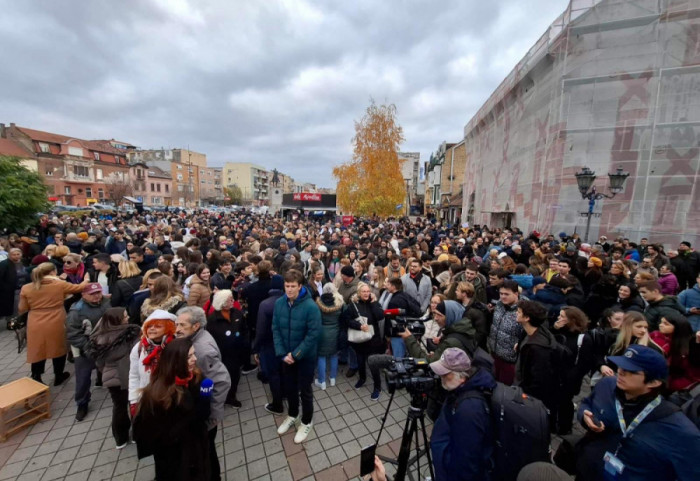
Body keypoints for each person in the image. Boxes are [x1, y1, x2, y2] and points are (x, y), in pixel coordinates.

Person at [575, 345, 700, 481]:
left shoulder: (680, 431)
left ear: (654, 382)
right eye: (621, 365)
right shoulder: (606, 385)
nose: (621, 371)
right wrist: (584, 415)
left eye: (631, 371)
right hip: (586, 471)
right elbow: (587, 404)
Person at [133, 338, 212, 481]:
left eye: (194, 354)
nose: (194, 359)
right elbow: (152, 432)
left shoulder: (196, 378)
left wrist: (205, 398)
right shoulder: (158, 394)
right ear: (175, 361)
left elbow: (203, 415)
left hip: (197, 448)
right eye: (188, 357)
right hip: (174, 456)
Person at [175, 306, 231, 480]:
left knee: (206, 453)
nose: (177, 329)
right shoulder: (194, 340)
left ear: (196, 326)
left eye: (182, 325)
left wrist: (212, 415)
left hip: (205, 419)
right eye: (177, 324)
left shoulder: (201, 349)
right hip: (198, 410)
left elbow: (221, 380)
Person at [429, 347, 496, 481]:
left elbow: (467, 462)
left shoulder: (470, 410)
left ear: (460, 375)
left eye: (445, 374)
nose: (441, 377)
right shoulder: (461, 387)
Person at [273, 269, 321, 444]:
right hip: (286, 356)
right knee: (290, 388)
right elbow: (275, 329)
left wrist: (296, 354)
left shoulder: (311, 307)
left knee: (305, 391)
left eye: (293, 286)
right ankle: (293, 414)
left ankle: (307, 421)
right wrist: (281, 353)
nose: (290, 289)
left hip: (304, 358)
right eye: (287, 286)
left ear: (300, 286)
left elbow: (313, 334)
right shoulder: (279, 303)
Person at [19, 262, 88, 384]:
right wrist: (86, 280)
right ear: (52, 272)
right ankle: (58, 375)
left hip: (35, 320)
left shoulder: (26, 288)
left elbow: (22, 308)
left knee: (38, 349)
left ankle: (36, 375)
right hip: (56, 318)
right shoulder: (59, 284)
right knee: (58, 346)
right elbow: (79, 288)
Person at [86, 307, 141, 448]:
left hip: (111, 378)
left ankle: (120, 439)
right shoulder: (131, 333)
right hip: (130, 374)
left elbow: (99, 363)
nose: (127, 318)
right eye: (124, 316)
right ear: (117, 320)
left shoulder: (98, 337)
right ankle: (137, 434)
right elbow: (138, 353)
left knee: (118, 407)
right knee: (135, 404)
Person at [66, 282, 111, 421]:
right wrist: (88, 348)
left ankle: (101, 380)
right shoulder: (76, 311)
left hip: (105, 343)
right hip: (85, 348)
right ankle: (82, 403)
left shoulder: (106, 302)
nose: (97, 296)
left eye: (98, 292)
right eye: (92, 294)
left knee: (107, 367)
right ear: (83, 295)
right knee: (83, 377)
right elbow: (73, 334)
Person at [514, 299, 558, 427]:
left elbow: (538, 380)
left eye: (519, 312)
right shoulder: (530, 333)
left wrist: (523, 394)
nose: (516, 314)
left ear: (527, 318)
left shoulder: (538, 348)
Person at [552, 306, 594, 434]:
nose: (559, 318)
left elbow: (584, 363)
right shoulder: (560, 331)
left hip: (569, 378)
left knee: (565, 403)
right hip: (555, 373)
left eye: (562, 316)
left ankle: (565, 427)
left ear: (572, 320)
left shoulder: (583, 339)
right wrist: (554, 329)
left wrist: (571, 378)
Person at [342, 282, 385, 401]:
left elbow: (380, 316)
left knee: (373, 364)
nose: (366, 293)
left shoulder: (374, 303)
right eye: (363, 291)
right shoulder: (353, 305)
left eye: (368, 291)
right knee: (360, 361)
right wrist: (359, 326)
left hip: (373, 340)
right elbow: (347, 320)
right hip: (359, 340)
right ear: (359, 293)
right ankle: (362, 378)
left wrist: (374, 303)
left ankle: (378, 387)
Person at [128, 310, 177, 410]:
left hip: (173, 398)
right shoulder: (139, 348)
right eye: (149, 326)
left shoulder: (176, 346)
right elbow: (134, 376)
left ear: (168, 328)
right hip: (148, 399)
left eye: (158, 326)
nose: (152, 329)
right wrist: (134, 401)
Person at [207, 289, 247, 407]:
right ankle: (223, 397)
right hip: (222, 356)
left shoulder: (237, 313)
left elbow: (244, 330)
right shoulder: (212, 320)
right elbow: (210, 339)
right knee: (224, 378)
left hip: (237, 354)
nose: (233, 301)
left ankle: (231, 397)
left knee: (235, 377)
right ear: (222, 302)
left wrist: (245, 344)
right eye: (230, 299)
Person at [253, 275, 285, 415]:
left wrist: (256, 348)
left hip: (269, 345)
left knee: (273, 374)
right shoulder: (288, 302)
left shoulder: (265, 304)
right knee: (284, 371)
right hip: (285, 343)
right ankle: (285, 394)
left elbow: (260, 329)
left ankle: (277, 405)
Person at [649, 311, 700, 392]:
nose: (660, 325)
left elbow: (692, 374)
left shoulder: (689, 346)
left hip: (675, 386)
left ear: (677, 327)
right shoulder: (655, 336)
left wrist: (671, 385)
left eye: (666, 324)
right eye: (661, 322)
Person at [487, 280, 522, 385]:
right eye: (501, 294)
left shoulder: (523, 310)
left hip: (510, 359)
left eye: (506, 294)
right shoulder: (499, 305)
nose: (502, 297)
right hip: (494, 353)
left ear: (516, 294)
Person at [315, 283, 343, 390]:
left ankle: (322, 381)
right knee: (334, 355)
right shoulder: (339, 303)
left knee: (321, 356)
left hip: (322, 333)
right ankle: (332, 379)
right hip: (335, 332)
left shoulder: (318, 304)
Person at [0, 248, 28, 324]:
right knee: (12, 308)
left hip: (22, 288)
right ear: (9, 255)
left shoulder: (23, 262)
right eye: (14, 255)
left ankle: (19, 321)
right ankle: (11, 322)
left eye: (18, 254)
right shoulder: (4, 264)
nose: (16, 256)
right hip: (9, 290)